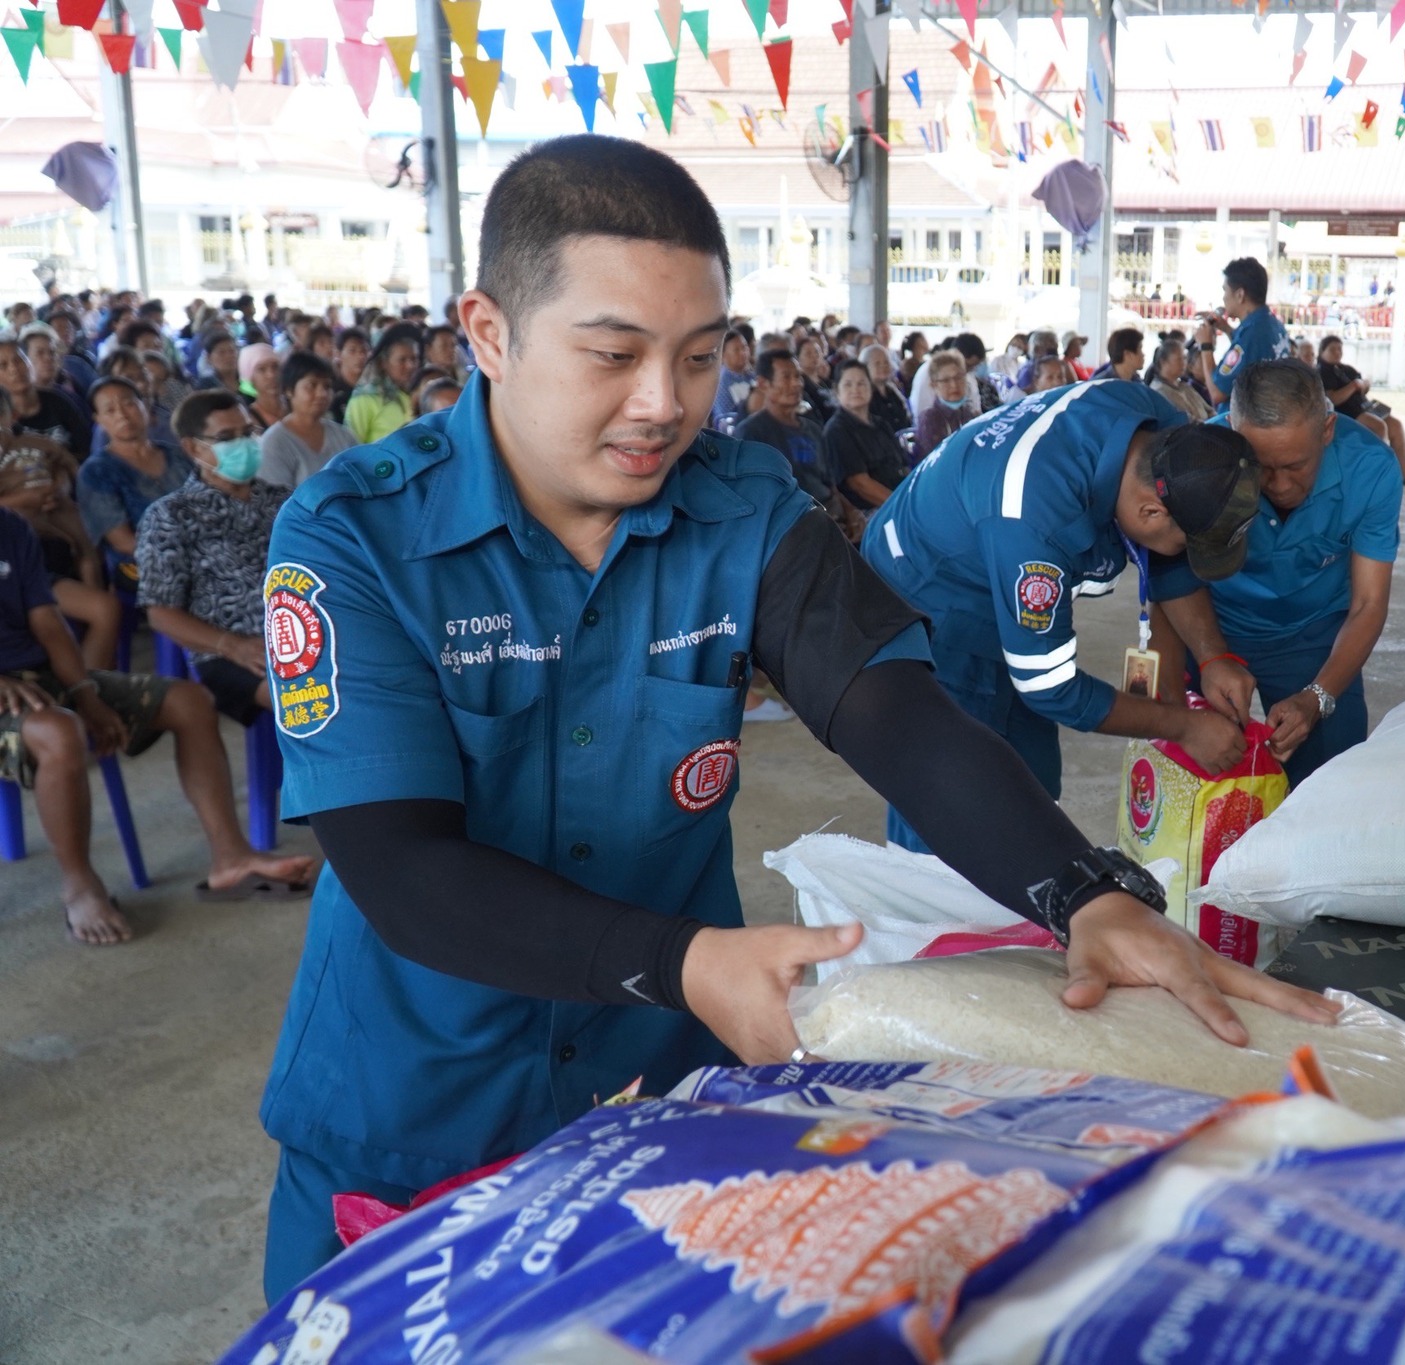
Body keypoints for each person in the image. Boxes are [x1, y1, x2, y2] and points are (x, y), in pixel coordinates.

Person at [253, 134, 1332, 1302]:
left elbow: (897, 719)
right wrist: (682, 964)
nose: (663, 405)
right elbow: (399, 864)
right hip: (413, 1097)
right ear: (490, 333)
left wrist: (1083, 894)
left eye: (699, 357)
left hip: (658, 1094)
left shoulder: (742, 508)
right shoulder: (354, 536)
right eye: (613, 354)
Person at [865, 376, 1265, 849]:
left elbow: (1170, 561)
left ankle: (1024, 875)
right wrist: (1185, 727)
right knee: (950, 802)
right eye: (1186, 543)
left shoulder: (1166, 436)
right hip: (926, 600)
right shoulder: (1036, 520)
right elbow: (1050, 688)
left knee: (1030, 784)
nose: (1183, 554)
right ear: (1150, 513)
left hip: (984, 553)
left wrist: (1214, 657)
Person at [0, 509, 315, 946]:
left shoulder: (11, 527)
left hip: (38, 676)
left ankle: (231, 859)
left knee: (189, 703)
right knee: (59, 733)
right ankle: (80, 885)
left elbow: (47, 623)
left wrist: (86, 694)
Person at [1200, 361, 1400, 786]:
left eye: (1295, 466)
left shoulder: (1371, 470)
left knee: (1332, 787)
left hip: (1313, 637)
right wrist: (1208, 657)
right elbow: (1169, 582)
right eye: (1260, 466)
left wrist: (1317, 697)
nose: (1278, 484)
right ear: (1232, 429)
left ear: (1327, 429)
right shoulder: (1200, 457)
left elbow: (1368, 603)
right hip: (1209, 628)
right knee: (1187, 777)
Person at [136, 392, 287, 728]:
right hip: (233, 650)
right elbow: (161, 613)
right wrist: (232, 646)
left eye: (248, 432)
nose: (244, 444)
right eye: (226, 438)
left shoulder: (282, 501)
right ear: (193, 448)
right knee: (315, 702)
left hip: (301, 633)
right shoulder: (171, 516)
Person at [1, 387, 120, 668]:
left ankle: (88, 684)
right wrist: (22, 501)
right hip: (10, 573)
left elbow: (66, 467)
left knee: (105, 606)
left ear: (12, 416)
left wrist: (58, 489)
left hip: (38, 559)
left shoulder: (34, 444)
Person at [76, 377, 196, 576]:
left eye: (129, 404)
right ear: (99, 420)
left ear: (145, 406)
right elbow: (123, 542)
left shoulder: (178, 455)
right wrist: (187, 557)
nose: (122, 415)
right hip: (143, 565)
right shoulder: (96, 471)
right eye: (110, 410)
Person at [734, 347, 845, 522]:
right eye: (786, 377)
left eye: (798, 376)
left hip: (829, 515)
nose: (796, 384)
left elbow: (830, 484)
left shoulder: (813, 429)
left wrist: (851, 512)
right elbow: (755, 498)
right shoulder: (751, 433)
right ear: (763, 384)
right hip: (791, 523)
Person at [1316, 335, 1405, 488]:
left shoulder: (1346, 369)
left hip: (1364, 407)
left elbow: (1363, 386)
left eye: (1340, 349)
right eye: (1333, 349)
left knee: (1395, 425)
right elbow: (1333, 399)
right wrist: (1353, 386)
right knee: (1379, 426)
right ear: (1322, 351)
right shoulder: (1322, 372)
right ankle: (1379, 473)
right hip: (1346, 413)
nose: (1337, 352)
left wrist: (1364, 384)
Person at [1194, 257, 1293, 412]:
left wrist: (1205, 346)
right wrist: (1227, 329)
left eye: (1225, 290)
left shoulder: (1251, 334)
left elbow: (1217, 393)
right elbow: (1251, 356)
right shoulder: (1272, 324)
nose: (1223, 298)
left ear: (1240, 295)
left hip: (1244, 420)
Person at [259, 353, 357, 489]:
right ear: (289, 390)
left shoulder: (343, 436)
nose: (322, 394)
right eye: (311, 385)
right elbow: (277, 499)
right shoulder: (274, 443)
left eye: (327, 386)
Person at [823, 364, 909, 512]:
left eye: (861, 383)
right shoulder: (836, 430)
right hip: (873, 510)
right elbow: (860, 484)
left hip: (899, 496)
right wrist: (902, 506)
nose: (855, 389)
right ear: (837, 391)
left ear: (871, 387)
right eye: (848, 384)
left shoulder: (881, 424)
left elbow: (903, 466)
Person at [0, 335, 90, 463]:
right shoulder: (3, 418)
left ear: (29, 362)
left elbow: (85, 447)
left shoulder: (58, 401)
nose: (14, 369)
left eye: (18, 360)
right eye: (3, 365)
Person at [342, 325, 420, 445]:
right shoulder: (364, 400)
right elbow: (349, 448)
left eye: (414, 359)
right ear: (383, 362)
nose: (410, 366)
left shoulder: (413, 395)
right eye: (402, 360)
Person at [912, 349, 974, 459]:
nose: (954, 385)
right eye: (946, 380)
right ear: (934, 385)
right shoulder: (929, 419)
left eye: (958, 378)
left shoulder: (970, 413)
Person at [1148, 338, 1214, 422]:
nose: (1184, 363)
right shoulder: (1158, 391)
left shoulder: (1184, 386)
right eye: (1179, 359)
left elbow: (1209, 410)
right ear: (1163, 362)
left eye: (1185, 358)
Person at [864, 343, 914, 434]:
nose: (883, 366)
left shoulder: (893, 392)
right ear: (865, 367)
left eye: (886, 362)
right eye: (877, 363)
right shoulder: (865, 397)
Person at [709, 329, 753, 431]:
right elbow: (725, 419)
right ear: (723, 355)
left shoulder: (752, 375)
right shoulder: (721, 383)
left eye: (744, 347)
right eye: (736, 350)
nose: (743, 352)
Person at [238, 342, 286, 431]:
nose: (271, 375)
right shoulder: (250, 420)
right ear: (250, 378)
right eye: (261, 369)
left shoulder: (296, 406)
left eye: (275, 367)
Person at [328, 328, 369, 425]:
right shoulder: (332, 392)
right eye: (352, 351)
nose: (360, 356)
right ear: (338, 354)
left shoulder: (372, 389)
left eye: (363, 351)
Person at [794, 336, 837, 418]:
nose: (814, 356)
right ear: (798, 358)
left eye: (817, 352)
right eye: (808, 353)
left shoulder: (825, 381)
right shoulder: (801, 385)